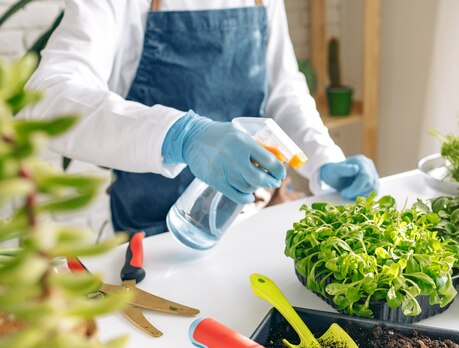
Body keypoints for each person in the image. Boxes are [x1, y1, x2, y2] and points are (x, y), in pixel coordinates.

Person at [22, 0, 379, 237]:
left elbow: (282, 88)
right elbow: (50, 95)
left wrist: (324, 160)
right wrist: (183, 135)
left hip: (252, 220)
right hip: (151, 235)